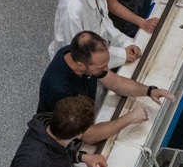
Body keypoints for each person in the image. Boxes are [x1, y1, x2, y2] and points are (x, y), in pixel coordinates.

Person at [38, 30, 171, 117]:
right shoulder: (59, 89)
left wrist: (150, 91)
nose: (106, 69)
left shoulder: (75, 54)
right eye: (101, 67)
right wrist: (129, 119)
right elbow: (86, 134)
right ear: (81, 66)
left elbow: (116, 82)